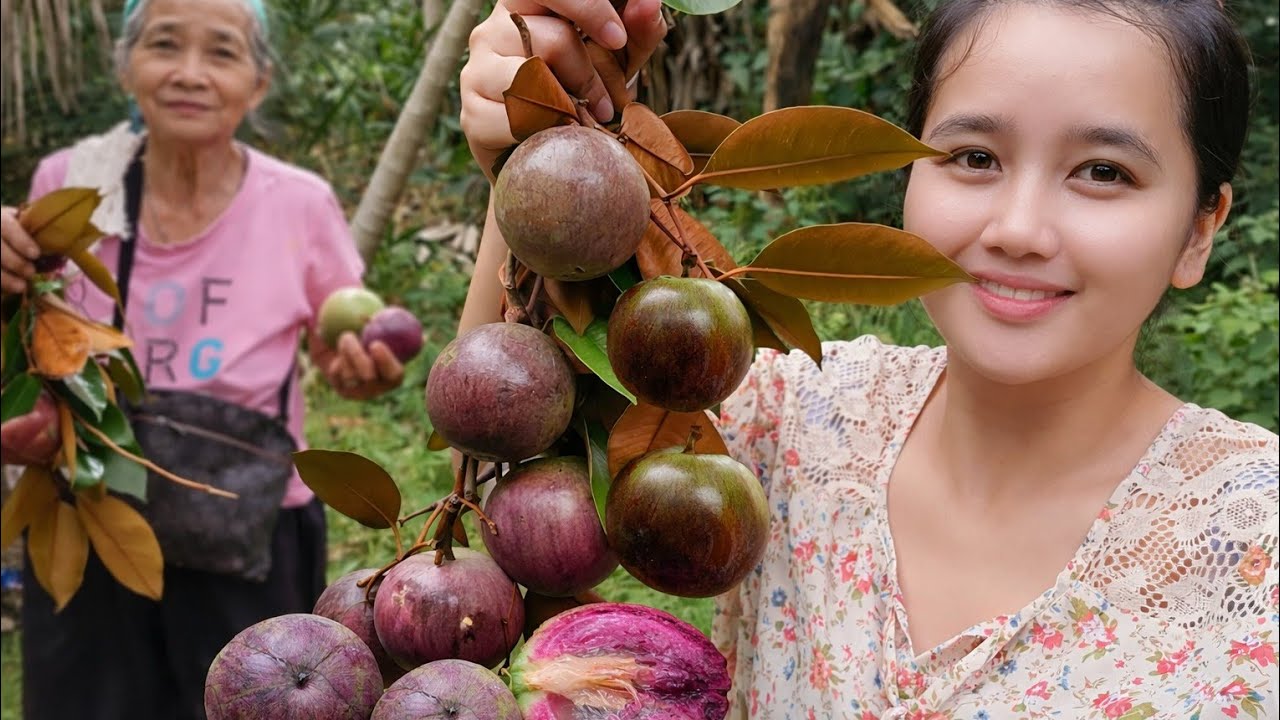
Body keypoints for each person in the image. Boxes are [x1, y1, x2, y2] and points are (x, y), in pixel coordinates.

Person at [458, 0, 1279, 717]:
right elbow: (498, 435)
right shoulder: (789, 421)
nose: (1019, 230)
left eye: (1104, 171)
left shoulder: (1255, 543)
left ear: (1200, 229)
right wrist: (537, 141)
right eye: (975, 158)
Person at [0, 0, 404, 717]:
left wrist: (356, 364)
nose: (190, 73)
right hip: (92, 510)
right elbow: (30, 334)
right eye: (164, 45)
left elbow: (340, 341)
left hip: (248, 529)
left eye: (220, 51)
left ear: (259, 83)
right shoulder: (73, 184)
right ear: (126, 66)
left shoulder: (299, 203)